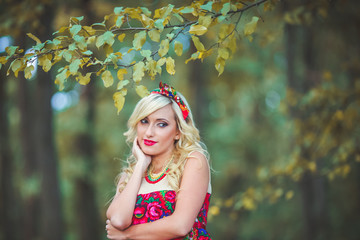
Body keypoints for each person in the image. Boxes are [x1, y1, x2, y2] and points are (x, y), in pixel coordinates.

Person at [105, 82, 212, 239]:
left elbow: (180, 225)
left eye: (161, 124)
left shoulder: (193, 161)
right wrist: (140, 164)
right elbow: (118, 221)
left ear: (178, 131)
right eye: (144, 121)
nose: (149, 132)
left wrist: (127, 234)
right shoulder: (129, 174)